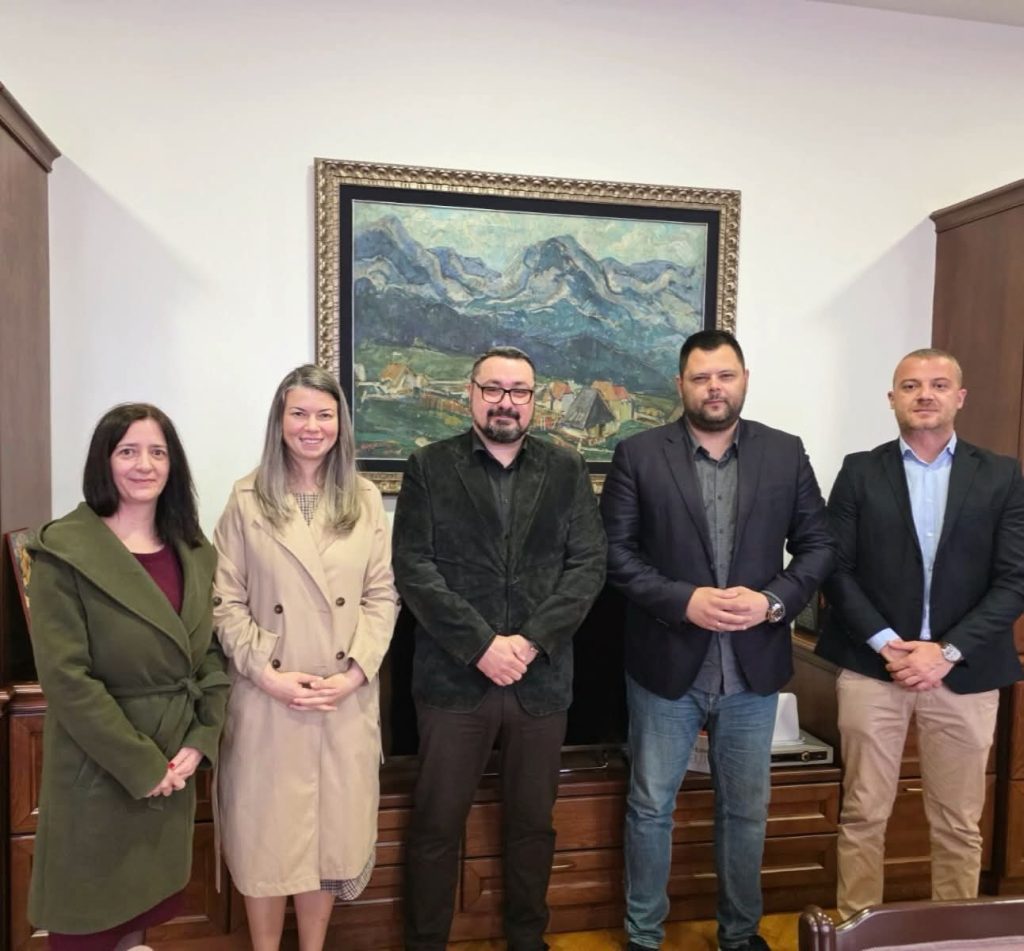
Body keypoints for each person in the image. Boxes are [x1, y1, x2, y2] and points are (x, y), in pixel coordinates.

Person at [601, 329, 835, 951]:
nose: (714, 388)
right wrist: (685, 600)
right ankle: (643, 936)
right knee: (651, 806)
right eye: (701, 377)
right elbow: (615, 555)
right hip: (664, 665)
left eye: (725, 375)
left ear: (744, 379)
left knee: (746, 810)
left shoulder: (785, 453)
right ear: (680, 384)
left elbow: (819, 546)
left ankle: (740, 933)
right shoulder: (638, 455)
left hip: (753, 669)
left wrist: (772, 601)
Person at [393, 345, 606, 951]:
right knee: (436, 825)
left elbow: (588, 567)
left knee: (533, 826)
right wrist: (482, 644)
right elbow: (414, 568)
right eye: (493, 389)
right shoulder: (429, 466)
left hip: (541, 683)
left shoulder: (567, 468)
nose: (505, 402)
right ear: (471, 393)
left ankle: (526, 940)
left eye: (519, 391)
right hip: (454, 680)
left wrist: (531, 642)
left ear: (534, 400)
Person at [817, 348, 1024, 919]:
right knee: (863, 814)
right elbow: (835, 568)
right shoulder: (860, 470)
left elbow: (1015, 579)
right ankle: (856, 932)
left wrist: (946, 652)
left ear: (960, 397)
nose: (924, 395)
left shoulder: (1001, 474)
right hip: (873, 668)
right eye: (910, 386)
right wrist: (886, 643)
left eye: (938, 384)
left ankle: (951, 936)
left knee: (958, 822)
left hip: (965, 671)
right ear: (892, 399)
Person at [27, 403, 228, 951]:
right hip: (100, 768)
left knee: (140, 917)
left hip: (173, 767)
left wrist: (201, 740)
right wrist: (142, 765)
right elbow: (66, 678)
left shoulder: (193, 551)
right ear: (104, 461)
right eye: (128, 451)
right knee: (86, 924)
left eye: (158, 452)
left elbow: (209, 657)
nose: (145, 464)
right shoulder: (63, 550)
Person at [213, 364, 398, 951]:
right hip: (270, 700)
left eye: (324, 414)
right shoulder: (246, 498)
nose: (311, 426)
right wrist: (267, 673)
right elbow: (224, 601)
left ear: (341, 423)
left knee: (327, 843)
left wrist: (356, 672)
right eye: (299, 413)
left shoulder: (364, 498)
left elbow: (382, 595)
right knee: (268, 845)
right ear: (280, 421)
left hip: (341, 699)